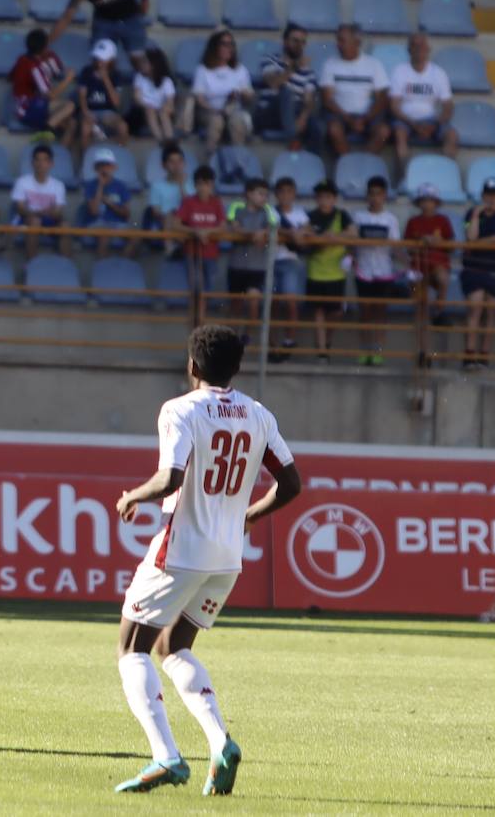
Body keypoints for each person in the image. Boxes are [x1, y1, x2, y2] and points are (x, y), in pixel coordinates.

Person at [111, 324, 300, 795]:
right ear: (235, 367)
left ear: (192, 366)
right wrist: (250, 515)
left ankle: (166, 757)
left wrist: (131, 496)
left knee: (132, 647)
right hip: (226, 558)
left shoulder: (180, 409)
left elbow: (170, 478)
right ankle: (220, 743)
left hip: (181, 548)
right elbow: (291, 484)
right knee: (174, 647)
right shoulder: (258, 414)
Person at [302, 180, 356, 363]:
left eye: (328, 196)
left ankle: (327, 341)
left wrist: (334, 237)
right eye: (321, 196)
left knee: (336, 312)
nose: (324, 200)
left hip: (336, 272)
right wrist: (321, 239)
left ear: (334, 199)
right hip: (315, 270)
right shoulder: (311, 216)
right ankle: (322, 350)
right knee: (318, 311)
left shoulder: (343, 215)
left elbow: (353, 233)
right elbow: (305, 235)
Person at [320, 23, 391, 158]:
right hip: (340, 115)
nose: (338, 44)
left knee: (384, 132)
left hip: (368, 115)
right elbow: (327, 100)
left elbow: (382, 97)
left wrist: (365, 119)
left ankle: (362, 163)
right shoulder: (330, 64)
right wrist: (349, 120)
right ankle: (348, 164)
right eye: (338, 40)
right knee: (334, 130)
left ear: (357, 42)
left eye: (342, 40)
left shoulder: (373, 64)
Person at [390, 31, 458, 170]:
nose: (419, 49)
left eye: (422, 45)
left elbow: (448, 106)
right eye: (415, 45)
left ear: (428, 49)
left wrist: (434, 124)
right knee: (399, 134)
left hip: (431, 119)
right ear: (409, 50)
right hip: (406, 119)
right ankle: (404, 178)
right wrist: (414, 124)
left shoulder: (438, 73)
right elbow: (394, 106)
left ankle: (445, 175)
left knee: (452, 135)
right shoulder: (399, 71)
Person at [352, 176, 401, 366]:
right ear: (367, 196)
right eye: (372, 194)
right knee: (365, 312)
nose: (375, 198)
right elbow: (353, 243)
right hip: (363, 270)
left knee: (380, 313)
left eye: (379, 194)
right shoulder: (359, 217)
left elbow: (396, 247)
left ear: (385, 196)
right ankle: (365, 350)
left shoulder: (391, 219)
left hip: (383, 271)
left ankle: (378, 351)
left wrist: (409, 264)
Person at [186, 30, 254, 156]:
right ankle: (211, 158)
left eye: (231, 44)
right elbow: (199, 98)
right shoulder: (203, 70)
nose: (229, 48)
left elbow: (249, 95)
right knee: (216, 121)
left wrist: (243, 94)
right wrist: (214, 110)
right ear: (215, 46)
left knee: (238, 121)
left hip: (232, 109)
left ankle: (238, 160)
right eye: (224, 44)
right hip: (209, 110)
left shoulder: (240, 69)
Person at [257, 23, 319, 153]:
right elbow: (274, 84)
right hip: (270, 110)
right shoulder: (270, 60)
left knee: (316, 127)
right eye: (295, 41)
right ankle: (293, 139)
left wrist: (303, 118)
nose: (299, 45)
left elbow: (309, 100)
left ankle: (314, 167)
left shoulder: (308, 71)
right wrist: (295, 67)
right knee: (286, 92)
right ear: (285, 42)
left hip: (294, 113)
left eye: (303, 42)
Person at [225, 179, 277, 332]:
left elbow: (273, 228)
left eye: (266, 195)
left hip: (257, 266)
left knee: (254, 302)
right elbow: (233, 227)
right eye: (260, 194)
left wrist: (265, 232)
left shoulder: (268, 210)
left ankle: (248, 335)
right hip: (237, 265)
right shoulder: (236, 208)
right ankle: (231, 337)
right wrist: (253, 234)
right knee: (236, 305)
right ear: (249, 194)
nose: (264, 198)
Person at [267, 177, 309, 362]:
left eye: (289, 191)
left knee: (291, 301)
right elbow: (269, 228)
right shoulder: (270, 212)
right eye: (281, 191)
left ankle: (289, 339)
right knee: (272, 304)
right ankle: (272, 344)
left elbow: (306, 233)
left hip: (290, 262)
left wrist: (297, 234)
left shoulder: (301, 215)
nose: (285, 195)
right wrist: (290, 233)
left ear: (294, 194)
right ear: (276, 194)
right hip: (269, 262)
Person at [8, 28, 76, 142]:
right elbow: (50, 96)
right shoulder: (34, 67)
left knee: (72, 124)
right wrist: (68, 79)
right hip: (27, 109)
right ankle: (46, 130)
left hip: (28, 105)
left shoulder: (22, 59)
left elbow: (10, 77)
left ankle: (61, 154)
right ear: (44, 48)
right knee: (70, 106)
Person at [461, 178, 495, 370]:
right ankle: (469, 355)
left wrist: (480, 242)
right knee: (475, 307)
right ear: (483, 195)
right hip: (474, 269)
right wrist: (476, 216)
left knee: (491, 312)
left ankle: (484, 356)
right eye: (489, 195)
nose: (493, 199)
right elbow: (470, 237)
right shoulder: (472, 213)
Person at [403, 183, 453, 328]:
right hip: (418, 265)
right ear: (419, 203)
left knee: (443, 278)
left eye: (430, 200)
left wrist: (439, 241)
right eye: (424, 200)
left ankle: (439, 312)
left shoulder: (443, 220)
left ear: (436, 203)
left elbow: (451, 246)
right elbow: (408, 248)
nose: (427, 203)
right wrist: (421, 242)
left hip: (438, 264)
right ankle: (421, 330)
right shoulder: (412, 221)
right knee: (419, 301)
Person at [12, 143, 70, 259]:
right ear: (32, 163)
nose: (40, 164)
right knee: (35, 222)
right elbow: (20, 208)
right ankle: (31, 264)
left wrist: (47, 213)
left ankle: (67, 265)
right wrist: (38, 213)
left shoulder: (58, 185)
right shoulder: (22, 182)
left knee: (65, 226)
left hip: (49, 219)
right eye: (37, 160)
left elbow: (58, 211)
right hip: (28, 218)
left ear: (51, 164)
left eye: (44, 160)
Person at [77, 148, 135, 257]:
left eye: (107, 165)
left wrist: (110, 203)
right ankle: (102, 269)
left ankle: (122, 266)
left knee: (136, 236)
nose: (104, 169)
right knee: (104, 234)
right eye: (101, 165)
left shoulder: (121, 186)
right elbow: (94, 211)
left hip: (117, 224)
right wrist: (100, 186)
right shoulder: (90, 185)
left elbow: (127, 214)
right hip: (96, 224)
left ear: (114, 167)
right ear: (95, 168)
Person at [176, 166, 225, 293]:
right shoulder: (188, 202)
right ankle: (194, 313)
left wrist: (207, 232)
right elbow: (176, 224)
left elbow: (223, 226)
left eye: (207, 184)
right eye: (199, 184)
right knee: (194, 287)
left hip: (211, 252)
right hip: (192, 252)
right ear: (195, 185)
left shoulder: (217, 203)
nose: (203, 188)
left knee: (208, 288)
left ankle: (204, 312)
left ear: (212, 185)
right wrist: (195, 231)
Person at [79, 39, 128, 148]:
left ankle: (117, 152)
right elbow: (82, 95)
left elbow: (116, 103)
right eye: (98, 58)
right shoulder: (87, 71)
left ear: (111, 59)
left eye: (103, 58)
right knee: (85, 128)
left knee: (123, 127)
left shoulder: (116, 75)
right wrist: (86, 112)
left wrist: (106, 79)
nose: (99, 61)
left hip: (108, 112)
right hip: (90, 111)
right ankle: (87, 158)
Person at [144, 143, 192, 248]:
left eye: (179, 161)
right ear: (164, 165)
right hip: (164, 223)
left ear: (184, 164)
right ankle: (170, 250)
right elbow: (156, 212)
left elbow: (190, 209)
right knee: (170, 215)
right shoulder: (156, 186)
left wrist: (181, 186)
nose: (176, 165)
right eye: (172, 162)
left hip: (186, 224)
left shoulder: (192, 185)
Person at [133, 45, 177, 144]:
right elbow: (137, 98)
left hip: (161, 110)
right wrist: (147, 106)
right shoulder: (139, 77)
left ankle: (169, 140)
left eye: (145, 62)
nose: (141, 64)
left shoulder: (166, 81)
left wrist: (164, 108)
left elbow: (170, 102)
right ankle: (160, 140)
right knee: (150, 111)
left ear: (154, 65)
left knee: (164, 112)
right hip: (143, 111)